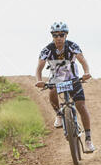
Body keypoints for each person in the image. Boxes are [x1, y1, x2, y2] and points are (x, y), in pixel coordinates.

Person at [35, 21, 95, 152]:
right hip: (56, 80)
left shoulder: (73, 46)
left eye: (61, 35)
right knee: (51, 91)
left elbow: (82, 60)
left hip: (73, 79)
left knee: (81, 106)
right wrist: (39, 80)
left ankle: (88, 139)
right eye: (55, 35)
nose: (58, 38)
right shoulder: (47, 49)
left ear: (66, 35)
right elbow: (39, 68)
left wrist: (86, 72)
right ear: (52, 36)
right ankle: (59, 115)